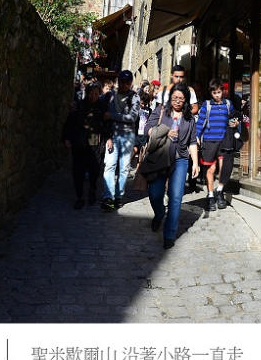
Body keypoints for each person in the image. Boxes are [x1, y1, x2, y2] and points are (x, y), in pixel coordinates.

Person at [143, 84, 199, 249]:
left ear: (186, 100)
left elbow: (193, 142)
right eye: (175, 98)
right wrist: (164, 132)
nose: (177, 101)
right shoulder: (161, 111)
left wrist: (195, 163)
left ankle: (169, 234)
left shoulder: (189, 119)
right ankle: (160, 213)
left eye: (181, 98)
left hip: (181, 160)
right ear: (170, 98)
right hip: (161, 156)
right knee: (155, 193)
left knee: (175, 197)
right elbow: (147, 129)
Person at [62, 82, 108, 209]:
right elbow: (69, 122)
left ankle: (92, 189)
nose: (93, 96)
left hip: (95, 141)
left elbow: (107, 124)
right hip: (79, 141)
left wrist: (108, 138)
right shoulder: (79, 105)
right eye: (91, 93)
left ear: (99, 94)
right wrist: (66, 138)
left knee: (94, 169)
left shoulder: (103, 107)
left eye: (96, 93)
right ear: (87, 93)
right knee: (78, 171)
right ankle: (79, 197)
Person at [196, 79, 240, 211]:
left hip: (224, 141)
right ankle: (210, 195)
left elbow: (233, 118)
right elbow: (200, 122)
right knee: (211, 170)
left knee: (224, 169)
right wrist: (197, 136)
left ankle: (219, 191)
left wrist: (235, 123)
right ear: (211, 93)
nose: (217, 95)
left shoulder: (228, 104)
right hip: (210, 141)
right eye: (214, 93)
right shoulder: (207, 105)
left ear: (223, 92)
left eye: (219, 92)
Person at [102, 69, 140, 211]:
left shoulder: (135, 97)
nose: (125, 85)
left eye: (127, 82)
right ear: (119, 82)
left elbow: (132, 118)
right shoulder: (110, 96)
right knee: (109, 165)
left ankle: (119, 196)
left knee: (124, 169)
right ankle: (108, 197)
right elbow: (99, 107)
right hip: (112, 136)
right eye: (122, 82)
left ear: (130, 83)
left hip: (127, 137)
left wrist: (112, 116)